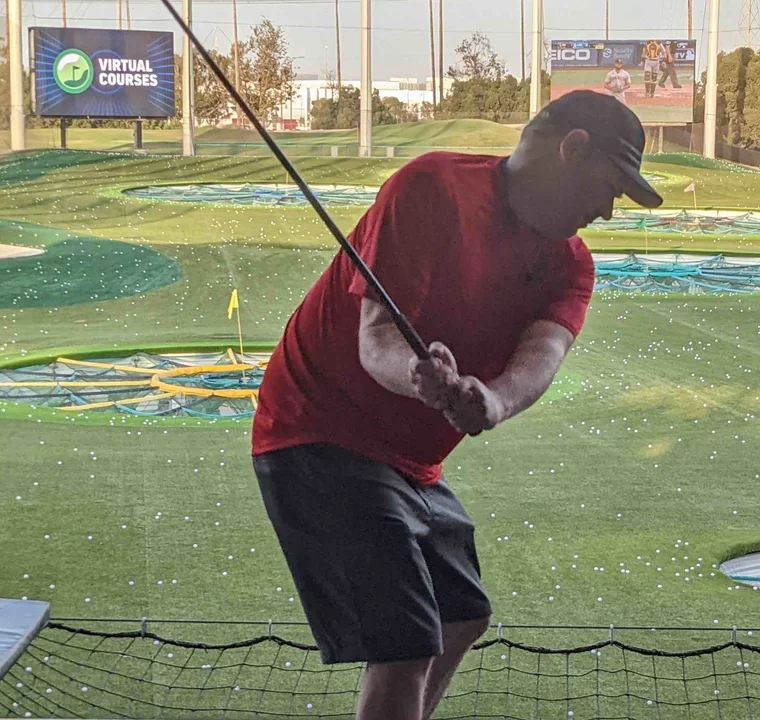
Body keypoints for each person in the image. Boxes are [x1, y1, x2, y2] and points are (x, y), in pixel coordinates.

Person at [251, 90, 663, 720]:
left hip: (410, 462)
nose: (607, 210)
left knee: (461, 616)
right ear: (572, 148)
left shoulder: (571, 265)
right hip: (317, 431)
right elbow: (377, 341)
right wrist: (419, 378)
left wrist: (494, 399)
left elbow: (544, 353)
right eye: (609, 187)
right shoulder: (433, 188)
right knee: (406, 644)